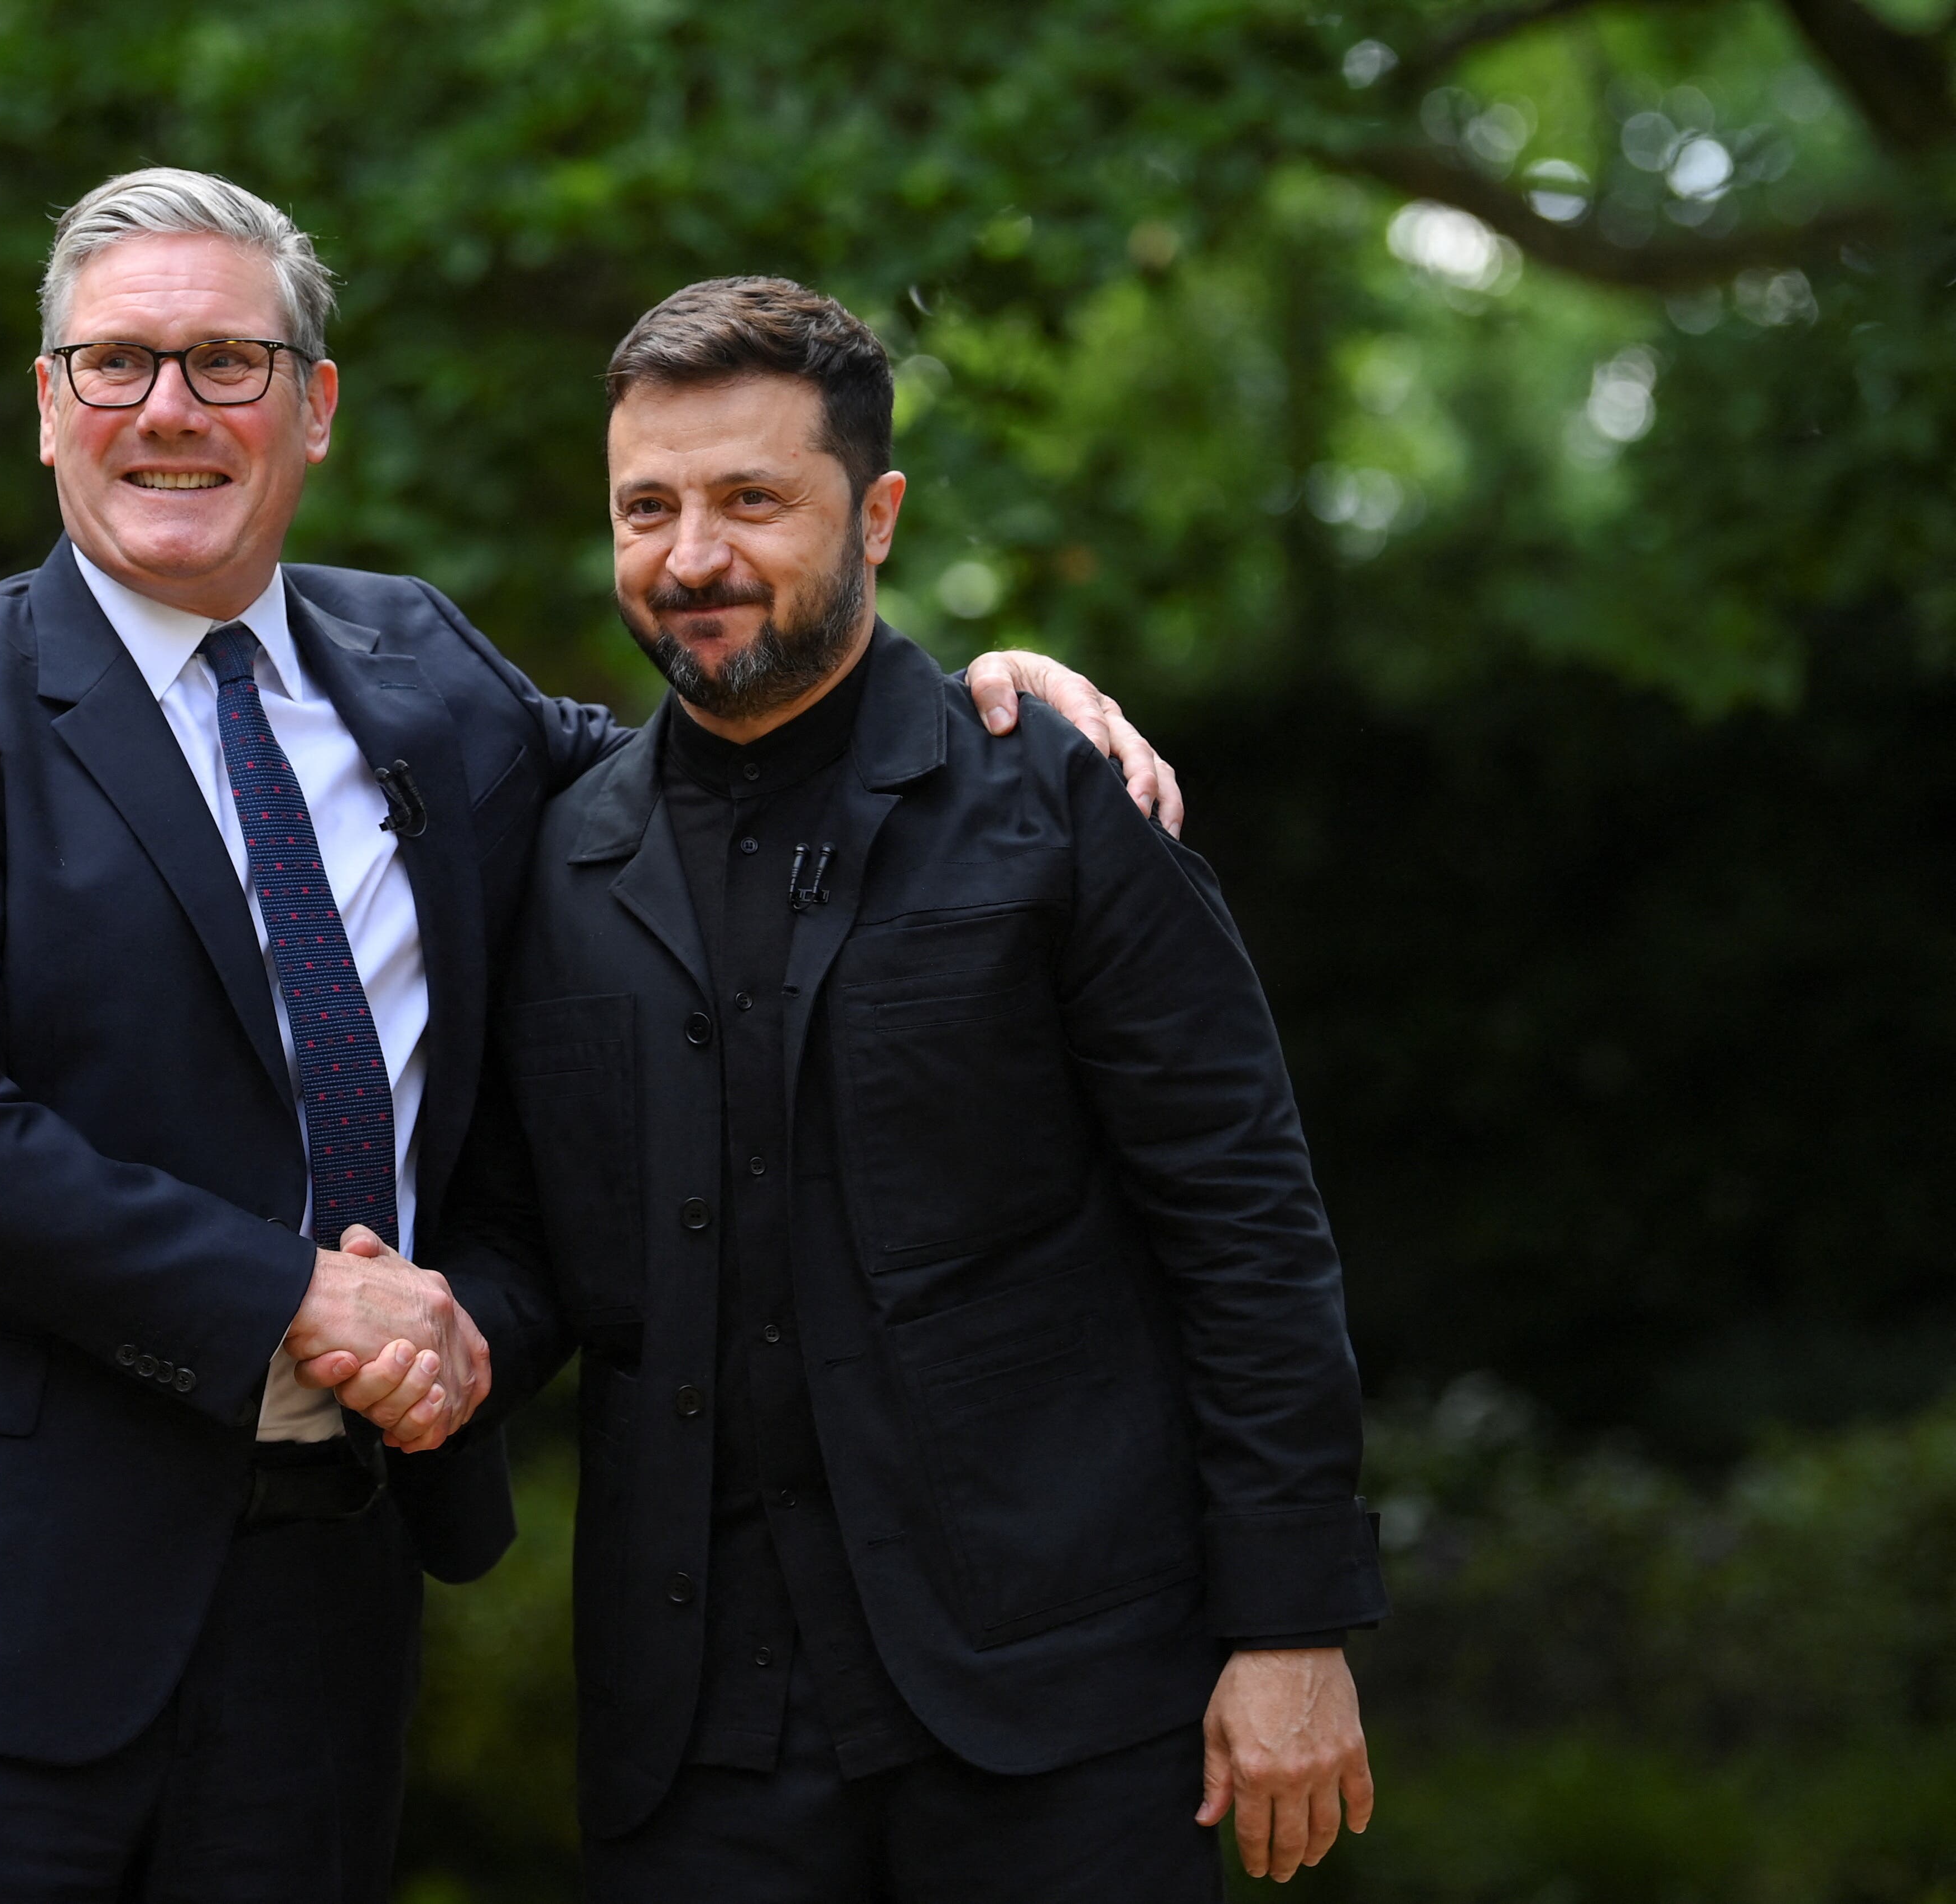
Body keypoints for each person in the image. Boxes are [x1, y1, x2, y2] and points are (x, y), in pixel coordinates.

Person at [0, 173, 1172, 1902]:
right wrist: (294, 1297)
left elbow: (713, 776)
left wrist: (976, 705)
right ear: (48, 406)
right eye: (115, 364)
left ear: (315, 408)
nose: (169, 410)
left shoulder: (421, 668)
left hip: (316, 1629)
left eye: (227, 362)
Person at [400, 277, 1387, 1900]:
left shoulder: (1057, 799)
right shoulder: (555, 860)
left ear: (878, 516)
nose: (691, 558)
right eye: (646, 508)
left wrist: (1292, 1626)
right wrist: (425, 1339)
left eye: (752, 501)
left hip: (1067, 1711)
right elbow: (530, 1240)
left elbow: (1246, 1226)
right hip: (694, 1744)